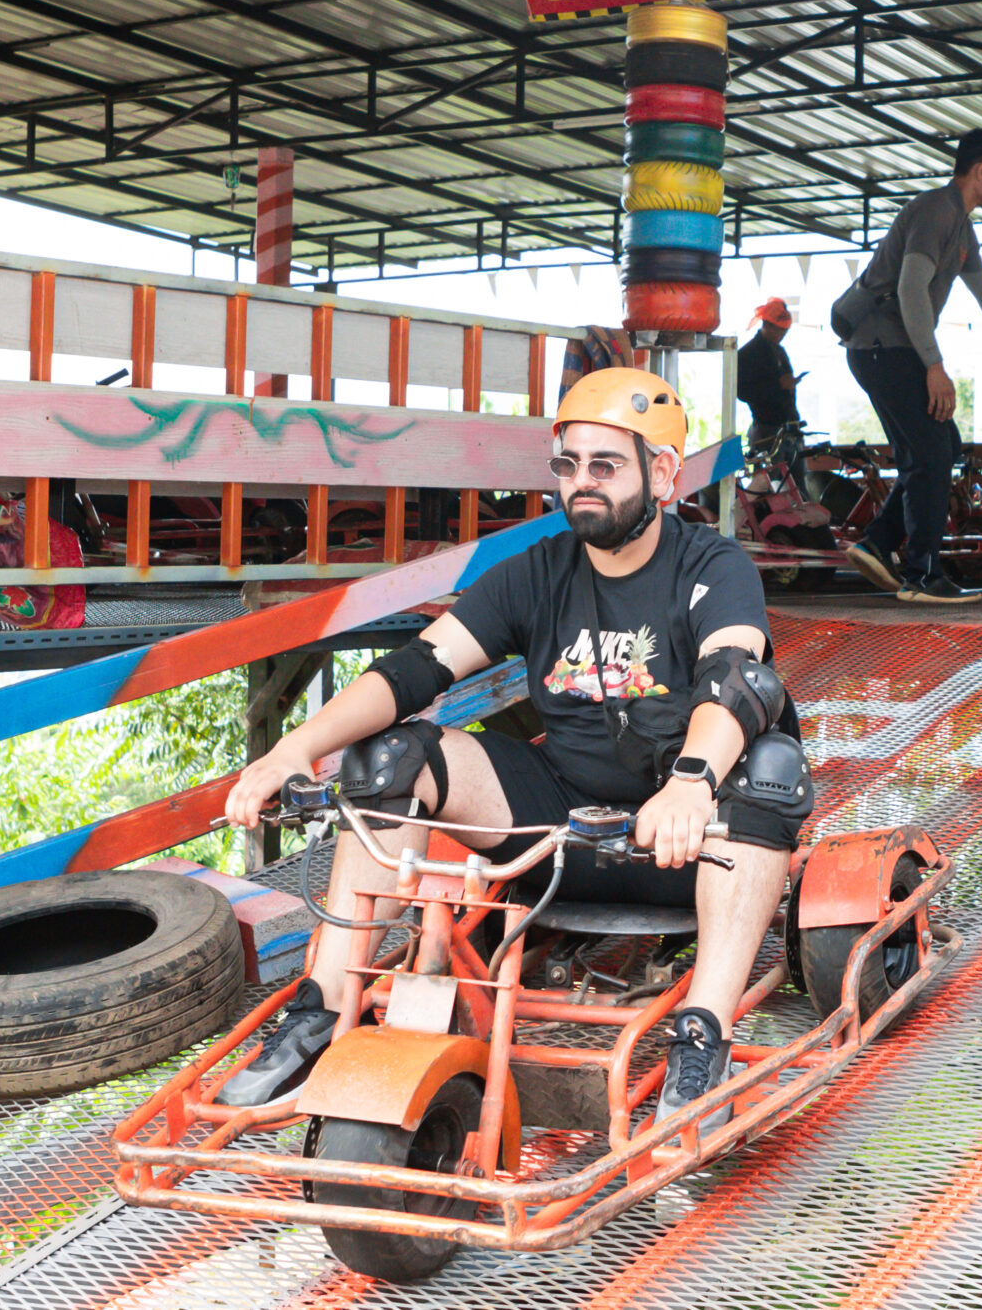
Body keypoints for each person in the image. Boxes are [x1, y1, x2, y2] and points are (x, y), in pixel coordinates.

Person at [220, 369, 812, 1119]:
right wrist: (295, 748)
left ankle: (705, 1035)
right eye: (566, 466)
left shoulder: (712, 567)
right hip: (557, 841)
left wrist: (692, 781)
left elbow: (737, 677)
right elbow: (415, 669)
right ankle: (322, 1008)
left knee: (770, 766)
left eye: (605, 466)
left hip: (686, 847)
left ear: (663, 473)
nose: (580, 484)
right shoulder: (536, 573)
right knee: (390, 756)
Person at [832, 128, 982, 605]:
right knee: (933, 453)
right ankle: (923, 573)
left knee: (939, 447)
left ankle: (879, 543)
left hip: (892, 348)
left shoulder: (962, 227)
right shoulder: (935, 210)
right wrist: (934, 365)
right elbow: (910, 290)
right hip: (882, 346)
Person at [737, 298, 804, 465]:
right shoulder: (748, 354)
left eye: (784, 331)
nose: (782, 335)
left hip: (790, 428)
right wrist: (778, 386)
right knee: (769, 486)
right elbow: (743, 392)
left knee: (798, 485)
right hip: (766, 431)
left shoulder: (779, 350)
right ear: (766, 324)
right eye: (779, 330)